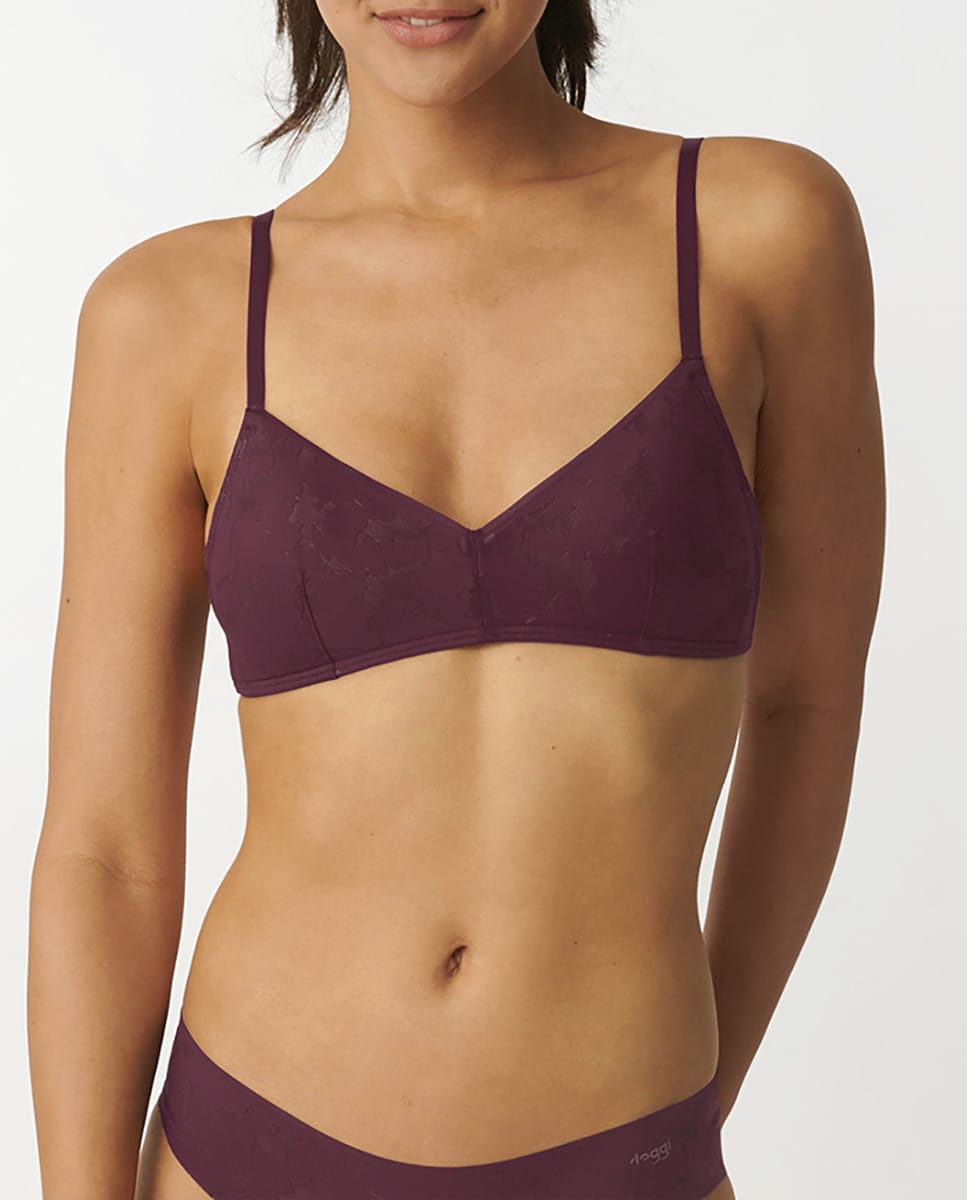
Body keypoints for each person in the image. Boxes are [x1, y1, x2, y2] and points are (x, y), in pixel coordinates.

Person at [27, 1, 885, 1198]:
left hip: (625, 1159)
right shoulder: (168, 312)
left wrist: (680, 1112)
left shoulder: (760, 231)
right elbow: (106, 852)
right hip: (245, 1148)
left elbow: (807, 707)